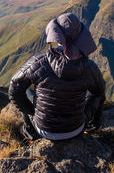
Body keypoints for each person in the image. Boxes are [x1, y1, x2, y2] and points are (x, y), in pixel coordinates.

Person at [9, 13, 106, 141]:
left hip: (44, 129)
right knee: (96, 95)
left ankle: (30, 132)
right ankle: (93, 126)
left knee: (25, 91)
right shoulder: (89, 67)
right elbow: (100, 92)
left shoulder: (39, 62)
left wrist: (34, 112)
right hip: (75, 130)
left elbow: (14, 88)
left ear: (57, 34)